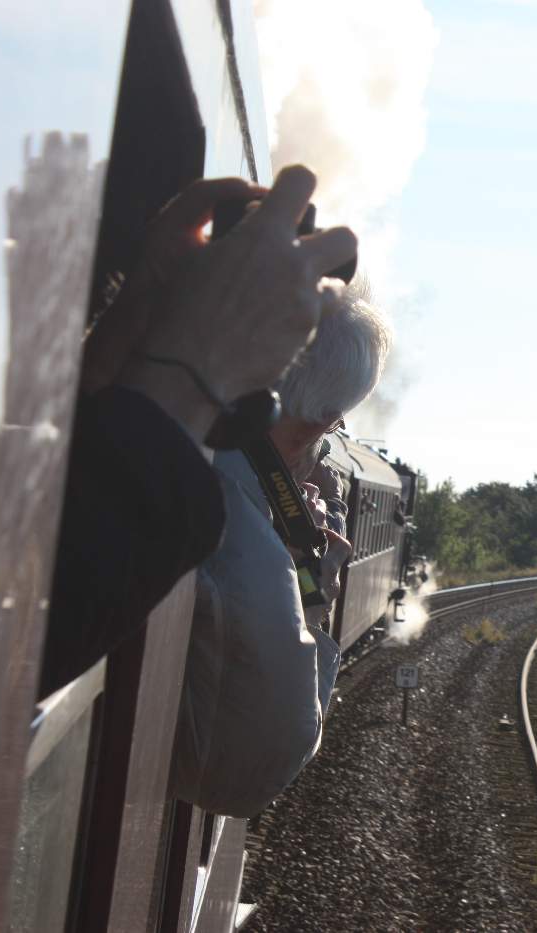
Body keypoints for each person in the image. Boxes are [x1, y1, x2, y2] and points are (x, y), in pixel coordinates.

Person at [37, 165, 359, 697]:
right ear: (312, 426)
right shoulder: (242, 532)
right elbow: (32, 631)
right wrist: (192, 376)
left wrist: (131, 319)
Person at [171, 279, 392, 817]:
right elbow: (242, 783)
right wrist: (310, 603)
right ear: (316, 423)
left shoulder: (189, 447)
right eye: (333, 426)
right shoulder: (250, 548)